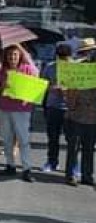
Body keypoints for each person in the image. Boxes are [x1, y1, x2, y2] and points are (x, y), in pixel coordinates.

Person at [0, 44, 38, 182]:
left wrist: (19, 45)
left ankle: (27, 169)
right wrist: (3, 86)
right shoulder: (3, 71)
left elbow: (36, 84)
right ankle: (10, 165)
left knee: (23, 139)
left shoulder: (27, 69)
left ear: (20, 56)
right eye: (10, 55)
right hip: (4, 108)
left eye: (15, 55)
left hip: (22, 110)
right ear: (6, 57)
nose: (12, 57)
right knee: (6, 138)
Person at [41, 42, 74, 173]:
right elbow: (42, 85)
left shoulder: (77, 68)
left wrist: (68, 90)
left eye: (65, 58)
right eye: (60, 58)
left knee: (72, 139)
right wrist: (52, 88)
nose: (63, 61)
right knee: (52, 137)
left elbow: (82, 88)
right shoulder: (49, 67)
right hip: (53, 106)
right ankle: (52, 162)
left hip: (71, 108)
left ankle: (72, 165)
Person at [64, 58, 96, 187]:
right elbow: (70, 103)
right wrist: (74, 90)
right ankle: (71, 175)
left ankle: (87, 176)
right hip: (75, 119)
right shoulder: (77, 75)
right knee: (73, 148)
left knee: (89, 149)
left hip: (92, 120)